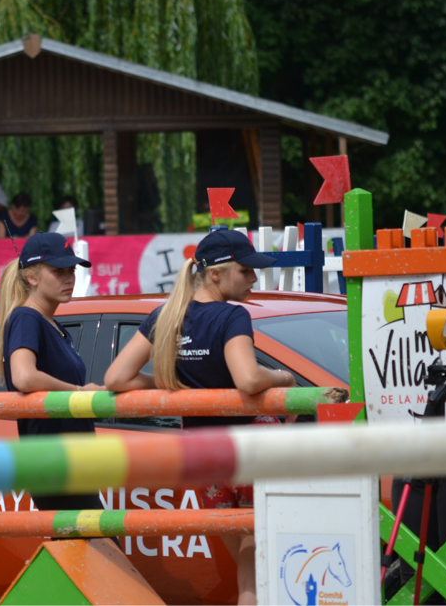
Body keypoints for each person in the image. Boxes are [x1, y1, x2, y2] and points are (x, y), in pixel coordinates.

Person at [104, 228, 294, 606]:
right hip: (249, 448)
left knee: (248, 560)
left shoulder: (165, 316)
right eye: (246, 271)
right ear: (216, 274)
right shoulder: (232, 315)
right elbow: (248, 379)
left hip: (203, 457)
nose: (254, 279)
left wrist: (170, 383)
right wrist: (284, 378)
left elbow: (116, 378)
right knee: (258, 562)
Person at [0, 231, 104, 511]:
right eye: (58, 271)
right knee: (103, 538)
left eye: (72, 270)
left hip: (70, 461)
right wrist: (80, 392)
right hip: (55, 464)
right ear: (32, 277)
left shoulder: (48, 323)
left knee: (93, 539)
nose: (69, 278)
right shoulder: (26, 317)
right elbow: (24, 376)